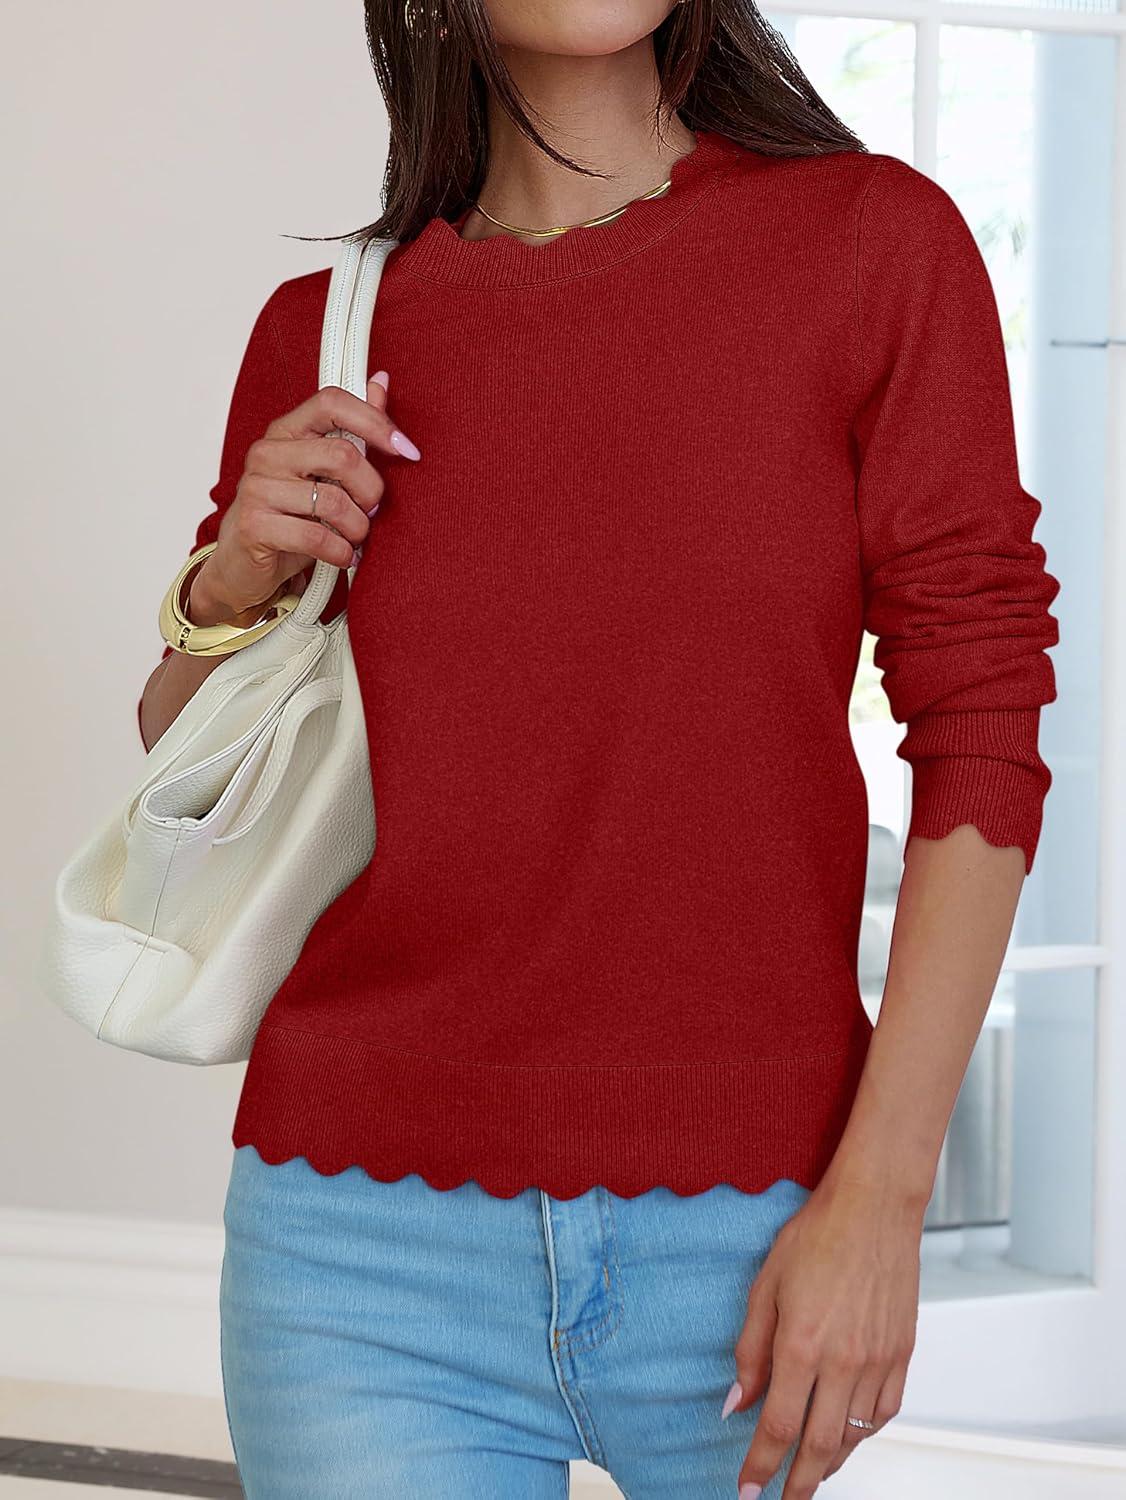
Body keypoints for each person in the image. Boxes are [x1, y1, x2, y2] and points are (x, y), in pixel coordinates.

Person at [137, 2, 1061, 1496]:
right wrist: (233, 577)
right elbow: (192, 766)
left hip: (755, 1228)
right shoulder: (330, 327)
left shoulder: (867, 245)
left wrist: (883, 1201)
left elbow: (983, 726)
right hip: (355, 1249)